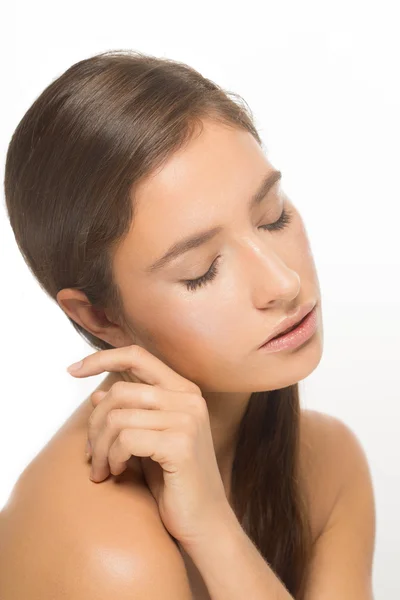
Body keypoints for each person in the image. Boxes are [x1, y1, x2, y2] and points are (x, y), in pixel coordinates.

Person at [0, 50, 375, 599]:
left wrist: (213, 527)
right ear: (100, 316)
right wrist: (210, 530)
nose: (283, 282)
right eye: (201, 272)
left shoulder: (327, 461)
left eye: (273, 215)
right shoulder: (103, 550)